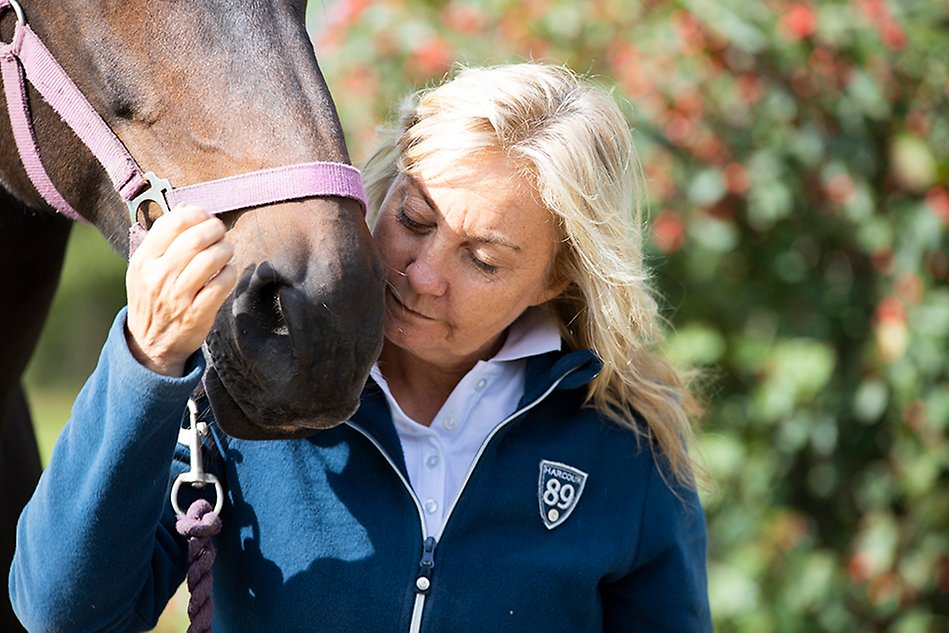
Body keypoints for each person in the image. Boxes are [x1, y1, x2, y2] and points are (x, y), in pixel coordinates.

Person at [9, 63, 711, 631]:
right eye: (413, 217)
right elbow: (61, 614)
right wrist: (145, 362)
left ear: (553, 276)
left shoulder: (625, 446)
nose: (422, 272)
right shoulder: (251, 379)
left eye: (483, 259)